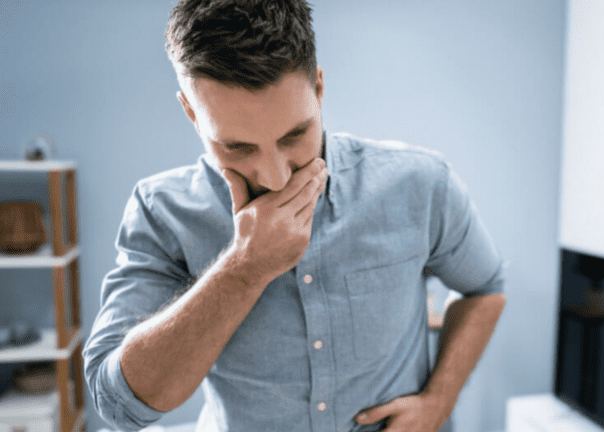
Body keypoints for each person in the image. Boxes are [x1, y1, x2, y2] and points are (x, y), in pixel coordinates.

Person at [83, 1, 506, 431]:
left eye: (294, 135)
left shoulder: (422, 182)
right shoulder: (162, 212)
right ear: (192, 113)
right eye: (238, 147)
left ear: (318, 87)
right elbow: (119, 404)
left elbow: (486, 288)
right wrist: (243, 269)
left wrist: (439, 400)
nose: (275, 175)